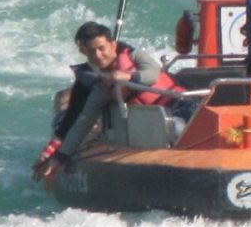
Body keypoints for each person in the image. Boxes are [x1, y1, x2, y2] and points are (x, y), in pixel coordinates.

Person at [33, 22, 180, 180]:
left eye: (102, 48)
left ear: (113, 45)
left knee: (183, 125)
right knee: (177, 128)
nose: (98, 55)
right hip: (154, 122)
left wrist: (129, 77)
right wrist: (59, 158)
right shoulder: (102, 87)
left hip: (179, 103)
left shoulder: (135, 56)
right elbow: (83, 121)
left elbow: (153, 74)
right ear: (84, 52)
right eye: (91, 51)